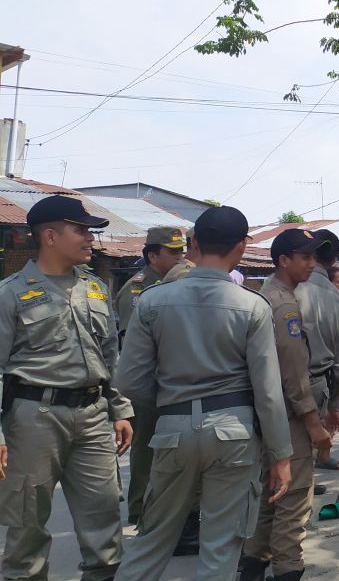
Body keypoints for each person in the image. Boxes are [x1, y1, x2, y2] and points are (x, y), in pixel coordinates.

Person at [113, 206, 293, 580]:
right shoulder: (252, 305)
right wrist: (280, 454)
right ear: (242, 246)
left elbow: (129, 381)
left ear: (193, 243)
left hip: (173, 428)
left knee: (152, 539)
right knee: (220, 547)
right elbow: (268, 392)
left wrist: (171, 404)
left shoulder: (152, 300)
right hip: (234, 432)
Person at [0, 195, 134, 581]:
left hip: (92, 417)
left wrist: (120, 409)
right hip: (33, 419)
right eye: (81, 230)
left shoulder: (94, 288)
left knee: (105, 518)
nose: (90, 238)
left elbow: (110, 356)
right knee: (27, 524)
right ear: (50, 236)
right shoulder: (10, 293)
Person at [239, 229, 334, 581]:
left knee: (268, 498)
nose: (312, 264)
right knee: (293, 503)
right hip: (288, 418)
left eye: (314, 257)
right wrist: (312, 420)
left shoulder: (266, 296)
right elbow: (293, 373)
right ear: (283, 260)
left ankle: (251, 568)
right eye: (305, 257)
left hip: (265, 415)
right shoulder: (284, 305)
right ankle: (287, 571)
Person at [115, 226, 186, 530]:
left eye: (182, 250)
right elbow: (135, 346)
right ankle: (139, 508)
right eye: (173, 252)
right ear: (153, 255)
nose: (180, 256)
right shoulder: (138, 290)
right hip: (146, 385)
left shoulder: (177, 286)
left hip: (173, 382)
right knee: (146, 448)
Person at [296, 229, 339, 471]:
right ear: (333, 259)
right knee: (306, 446)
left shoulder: (287, 289)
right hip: (319, 385)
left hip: (282, 382)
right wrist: (336, 406)